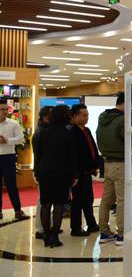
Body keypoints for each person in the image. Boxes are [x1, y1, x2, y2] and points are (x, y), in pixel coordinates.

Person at [32, 105, 77, 247]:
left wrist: (36, 171)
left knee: (45, 204)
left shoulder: (42, 133)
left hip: (45, 172)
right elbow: (71, 157)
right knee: (58, 205)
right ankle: (55, 237)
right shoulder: (69, 134)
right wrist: (74, 175)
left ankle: (46, 235)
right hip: (62, 173)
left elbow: (38, 154)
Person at [97, 93, 132, 245]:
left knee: (106, 199)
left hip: (107, 164)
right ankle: (121, 234)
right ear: (125, 103)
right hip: (121, 163)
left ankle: (104, 232)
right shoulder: (124, 118)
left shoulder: (103, 118)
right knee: (122, 200)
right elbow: (129, 140)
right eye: (131, 105)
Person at [69, 104, 99, 236]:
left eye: (87, 115)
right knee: (77, 201)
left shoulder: (86, 130)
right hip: (78, 173)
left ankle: (91, 224)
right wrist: (74, 173)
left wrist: (95, 165)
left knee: (88, 199)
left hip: (87, 170)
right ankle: (76, 228)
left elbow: (92, 148)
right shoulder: (71, 132)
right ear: (75, 116)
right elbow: (72, 155)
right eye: (84, 115)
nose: (87, 117)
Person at [0, 100, 27, 221]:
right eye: (1, 109)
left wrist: (7, 140)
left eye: (6, 109)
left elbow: (20, 139)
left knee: (12, 185)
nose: (4, 112)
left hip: (8, 157)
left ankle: (18, 211)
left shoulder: (13, 123)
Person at [34, 106, 52, 238]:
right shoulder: (42, 131)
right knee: (43, 201)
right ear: (45, 116)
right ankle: (41, 229)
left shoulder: (42, 129)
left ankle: (47, 226)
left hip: (42, 169)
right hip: (43, 170)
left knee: (46, 200)